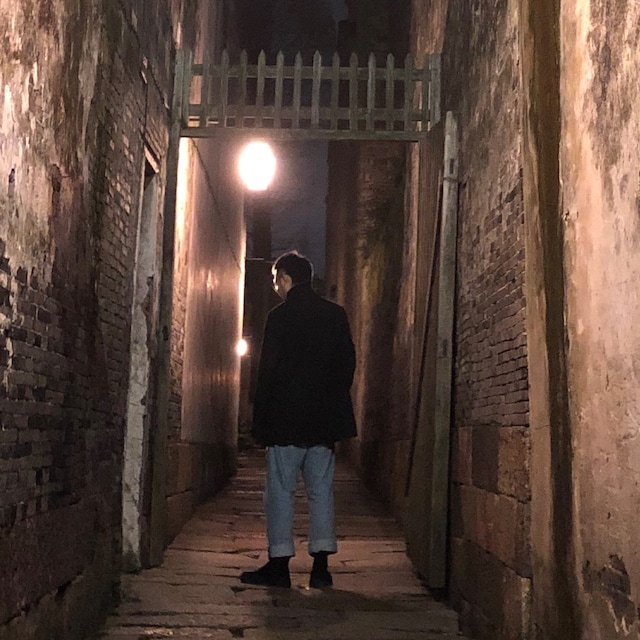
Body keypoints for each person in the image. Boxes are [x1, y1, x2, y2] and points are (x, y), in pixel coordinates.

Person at [240, 251, 357, 589]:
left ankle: (279, 565)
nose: (276, 286)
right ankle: (320, 567)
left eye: (276, 280)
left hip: (285, 420)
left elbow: (268, 371)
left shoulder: (279, 317)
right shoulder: (335, 315)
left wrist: (260, 420)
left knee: (280, 491)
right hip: (323, 422)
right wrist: (332, 400)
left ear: (286, 278)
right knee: (321, 491)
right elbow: (347, 364)